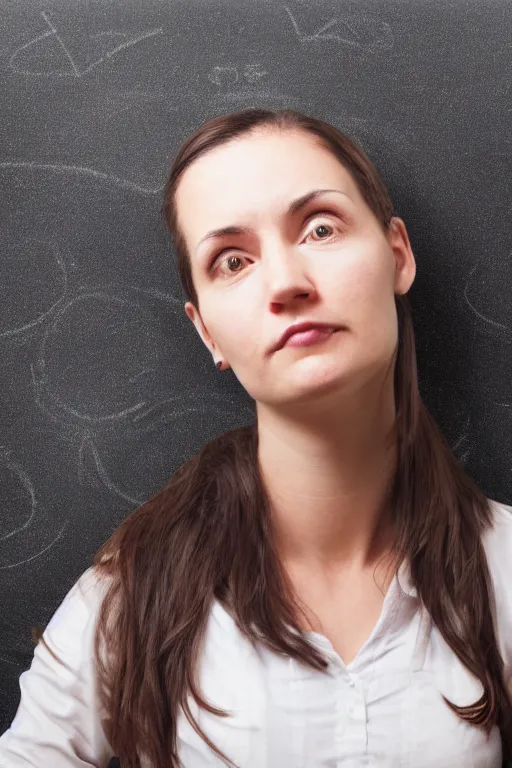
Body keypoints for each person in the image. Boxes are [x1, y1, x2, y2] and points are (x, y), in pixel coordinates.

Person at [0, 107, 510, 768]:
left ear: (397, 255)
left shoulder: (501, 569)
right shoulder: (137, 592)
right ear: (207, 331)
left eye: (320, 228)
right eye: (232, 261)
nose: (288, 283)